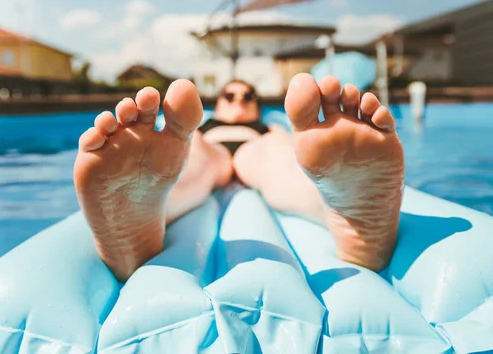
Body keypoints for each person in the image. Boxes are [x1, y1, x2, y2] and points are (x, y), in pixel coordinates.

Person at [73, 73, 405, 282]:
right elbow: (188, 148)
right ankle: (136, 212)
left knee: (275, 155)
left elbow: (292, 150)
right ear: (217, 104)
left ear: (257, 108)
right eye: (229, 96)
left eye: (247, 97)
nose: (238, 102)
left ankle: (348, 211)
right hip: (206, 151)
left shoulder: (265, 128)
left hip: (254, 148)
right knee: (193, 158)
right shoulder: (203, 128)